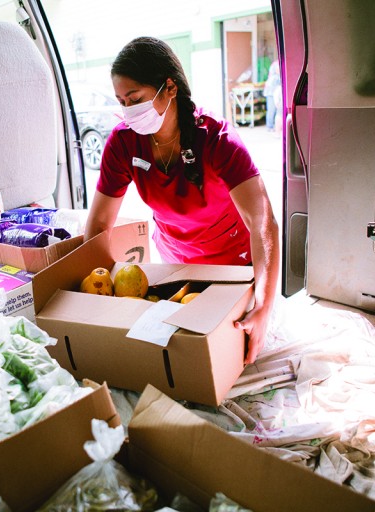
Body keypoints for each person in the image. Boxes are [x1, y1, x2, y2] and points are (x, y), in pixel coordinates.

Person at [84, 36, 280, 365]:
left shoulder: (218, 141)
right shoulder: (123, 142)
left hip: (233, 271)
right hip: (177, 267)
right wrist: (93, 288)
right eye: (121, 101)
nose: (128, 111)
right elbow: (101, 223)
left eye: (135, 99)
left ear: (170, 88)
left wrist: (262, 305)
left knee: (226, 357)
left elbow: (263, 225)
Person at [263, 60, 281, 132]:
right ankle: (270, 126)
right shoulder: (276, 64)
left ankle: (272, 126)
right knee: (271, 110)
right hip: (271, 93)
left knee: (274, 110)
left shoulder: (275, 77)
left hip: (273, 92)